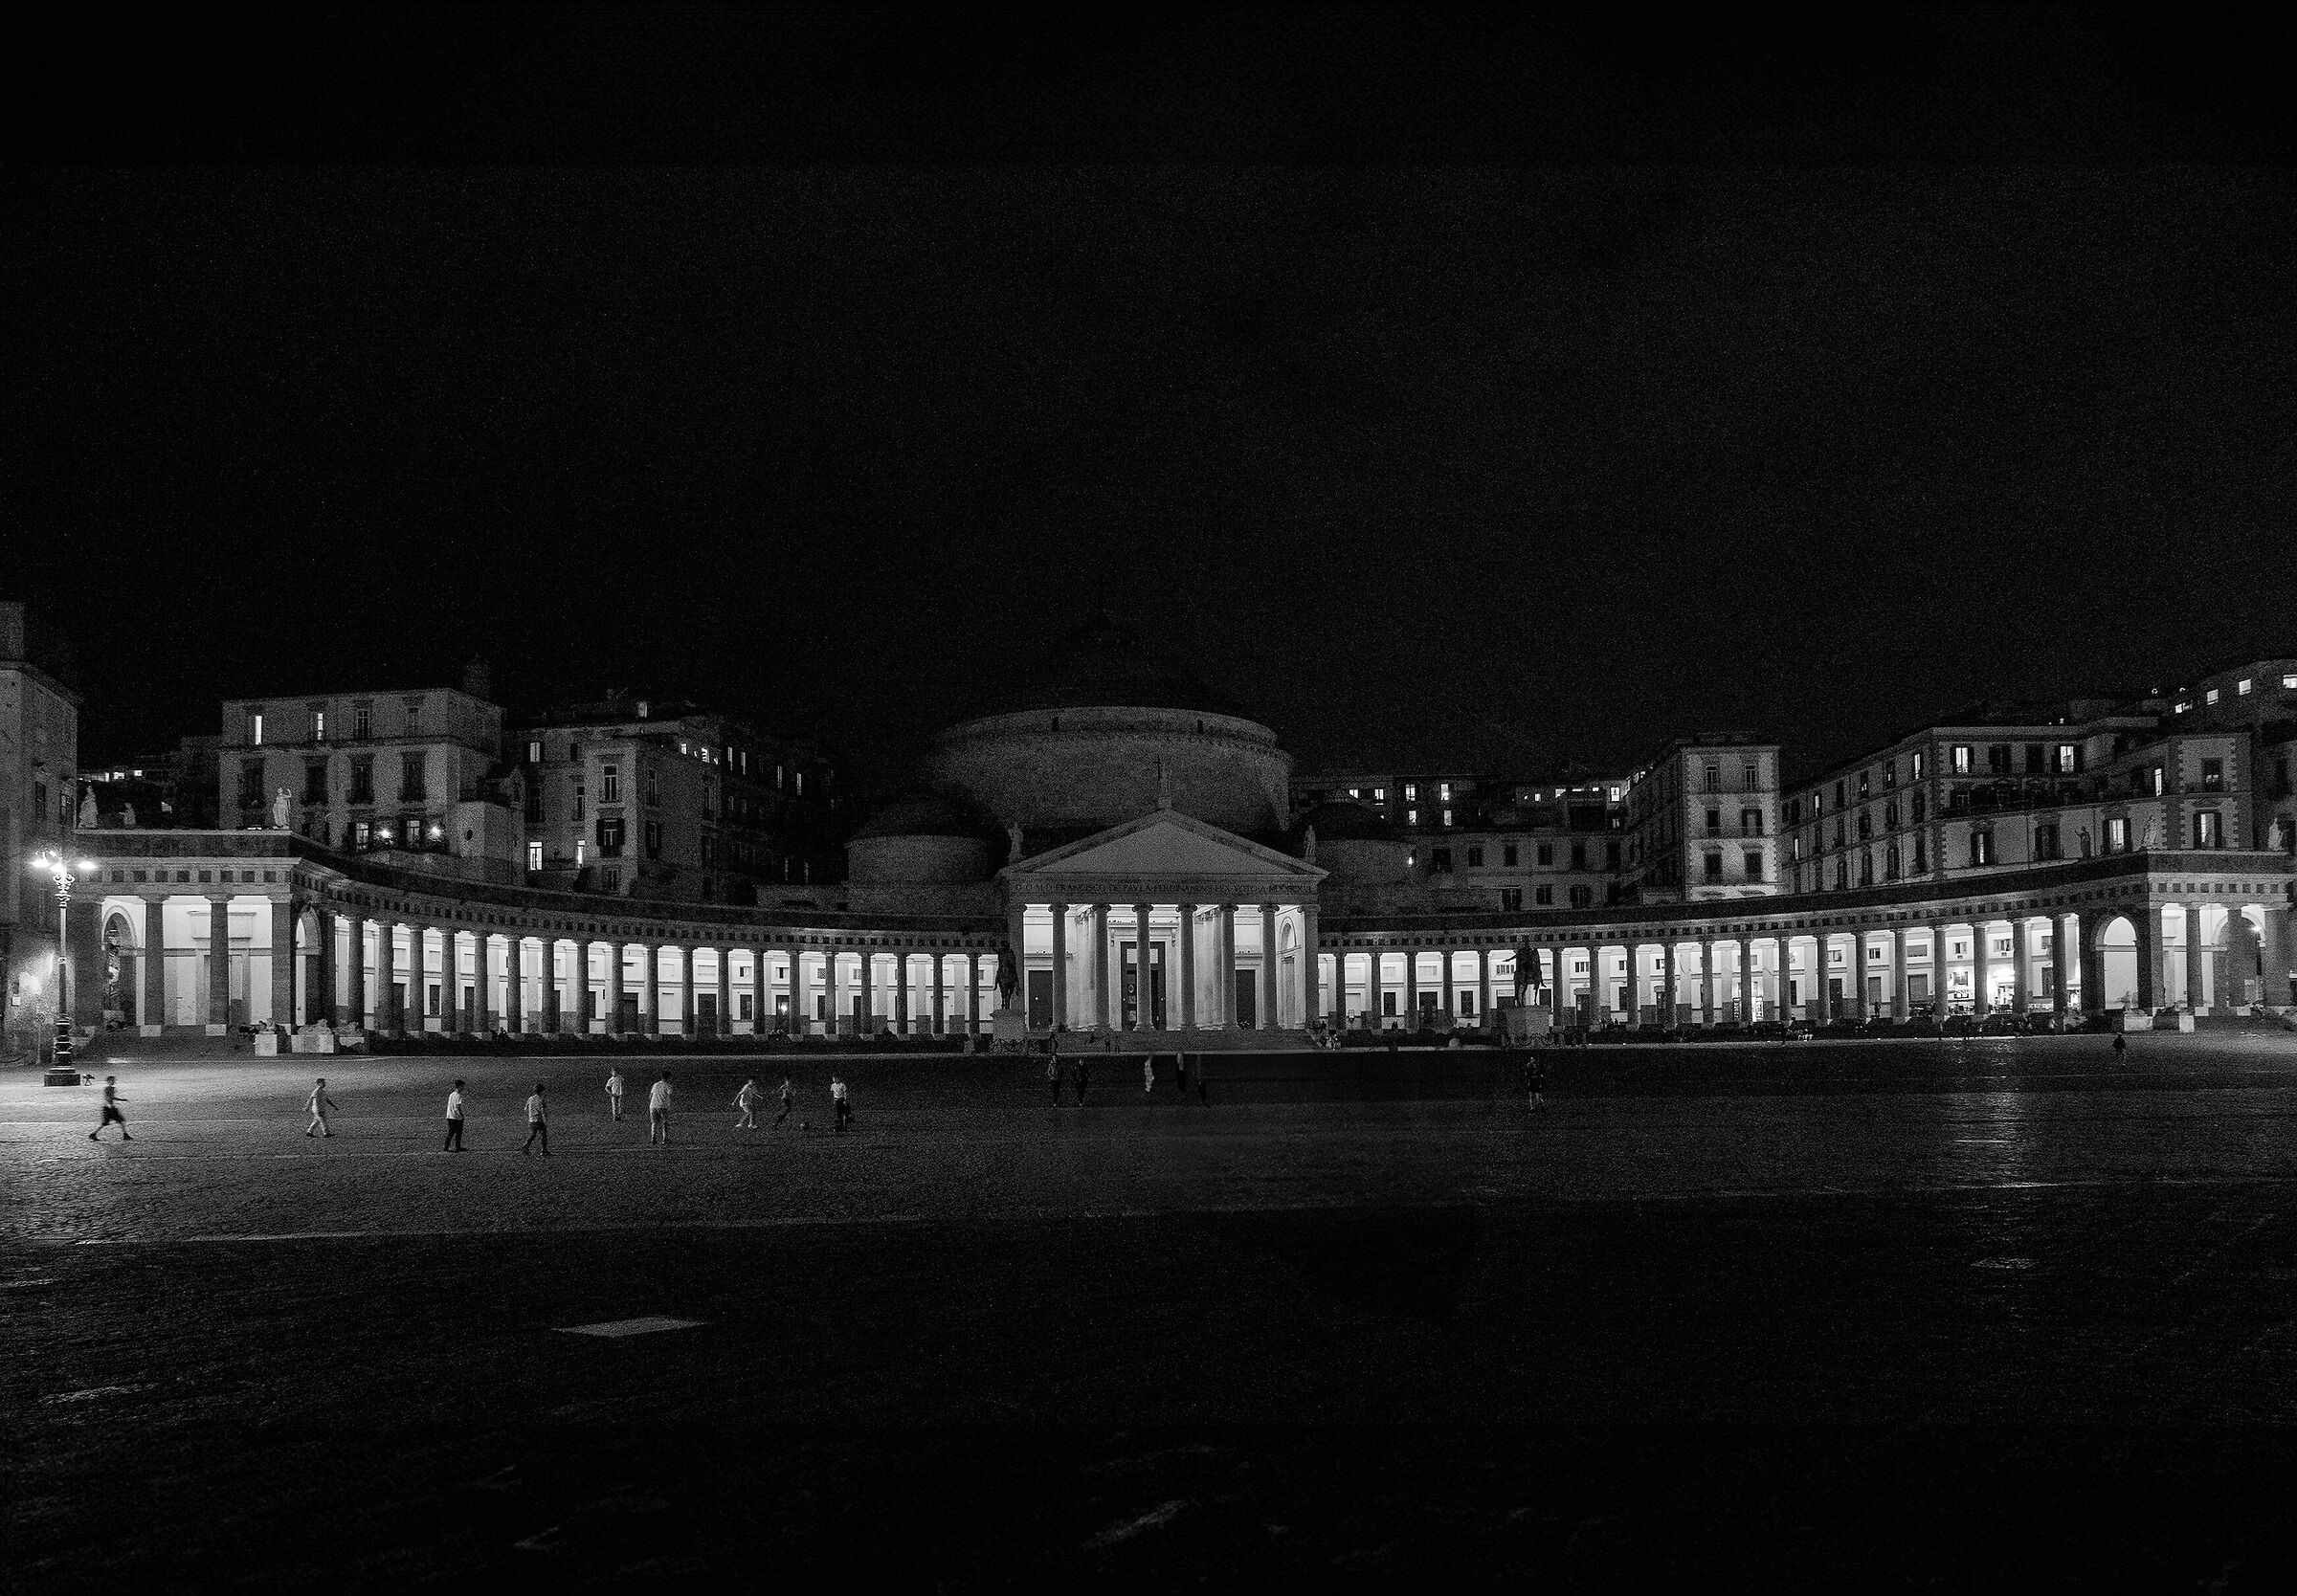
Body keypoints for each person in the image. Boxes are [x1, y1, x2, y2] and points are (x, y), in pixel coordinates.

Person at [89, 1076, 130, 1142]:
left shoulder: (111, 1088)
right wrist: (121, 1100)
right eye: (113, 1080)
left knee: (119, 1120)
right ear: (109, 1081)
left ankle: (125, 1134)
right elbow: (109, 1098)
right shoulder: (108, 1089)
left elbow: (111, 1097)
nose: (114, 1081)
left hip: (110, 1107)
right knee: (107, 1122)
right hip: (109, 1108)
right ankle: (93, 1134)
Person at [522, 1082, 550, 1156]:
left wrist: (530, 1115)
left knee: (533, 1134)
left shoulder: (530, 1099)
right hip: (539, 1120)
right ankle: (543, 1150)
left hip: (531, 1120)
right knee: (543, 1135)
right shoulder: (541, 1100)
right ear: (542, 1091)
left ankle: (526, 1145)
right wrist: (545, 1120)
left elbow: (525, 1109)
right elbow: (543, 1111)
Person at [648, 1072, 673, 1144]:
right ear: (668, 1078)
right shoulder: (668, 1086)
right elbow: (670, 1094)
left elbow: (650, 1096)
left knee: (654, 1123)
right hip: (663, 1106)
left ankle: (653, 1137)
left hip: (653, 1106)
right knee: (665, 1122)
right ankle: (665, 1139)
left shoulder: (655, 1084)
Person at [443, 1080, 466, 1151]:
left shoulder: (452, 1094)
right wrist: (462, 1115)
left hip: (450, 1116)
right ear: (459, 1086)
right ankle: (457, 1147)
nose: (463, 1088)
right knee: (458, 1133)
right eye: (462, 1086)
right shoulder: (459, 1096)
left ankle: (446, 1147)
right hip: (456, 1117)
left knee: (451, 1132)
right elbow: (458, 1107)